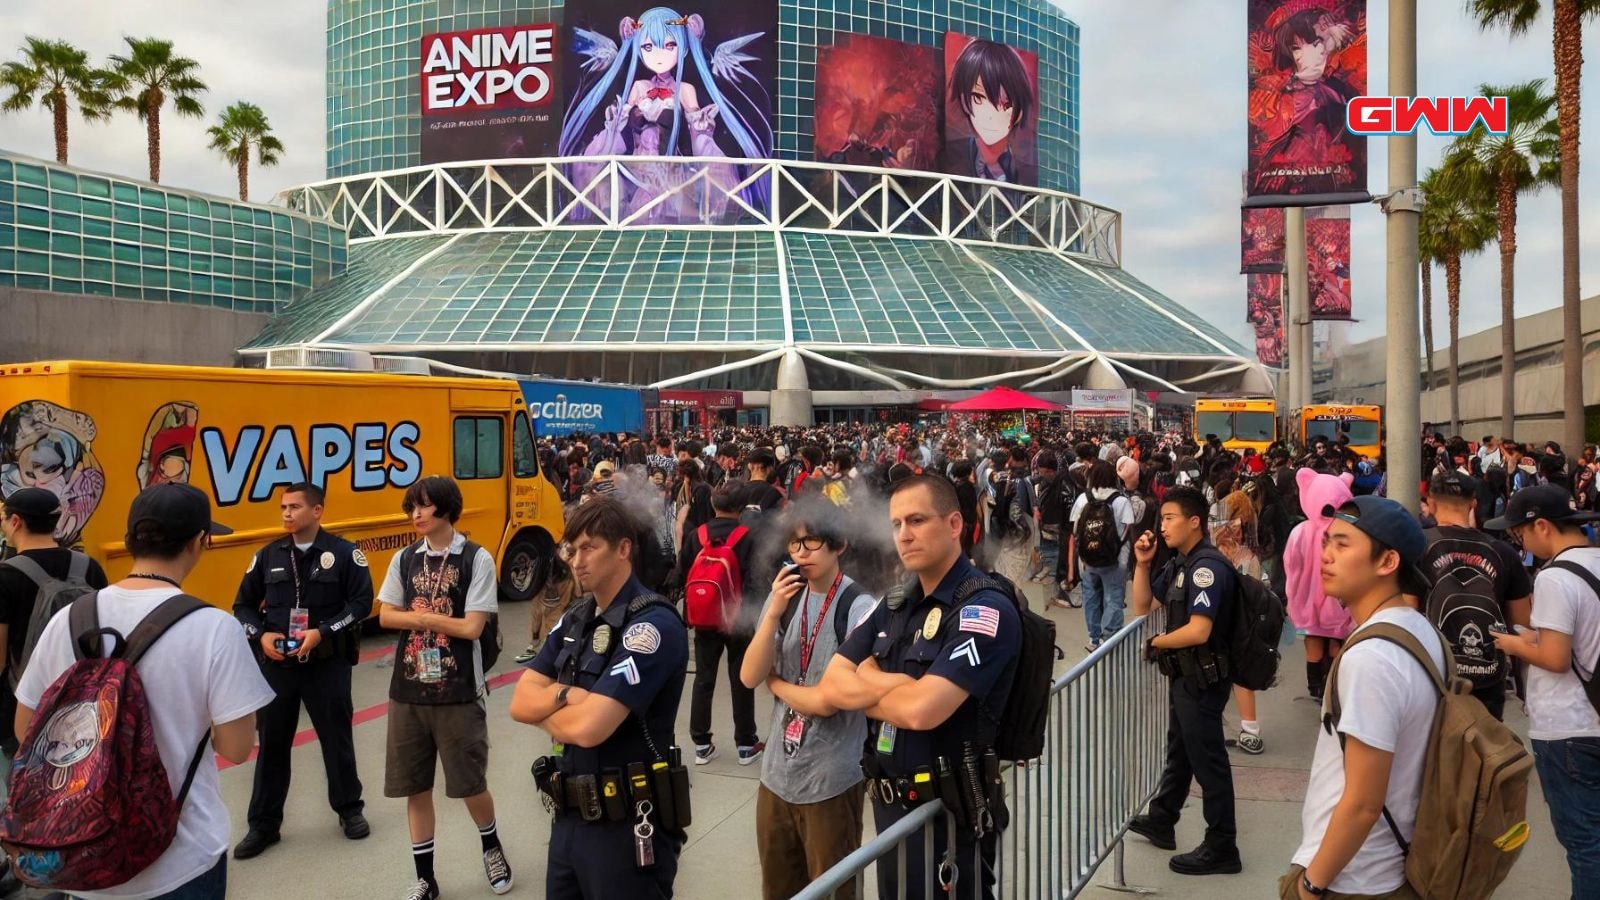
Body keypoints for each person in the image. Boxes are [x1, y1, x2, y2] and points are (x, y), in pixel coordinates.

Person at [14, 482, 273, 898]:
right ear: (199, 542)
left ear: (132, 538)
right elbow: (236, 748)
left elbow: (26, 726)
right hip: (182, 856)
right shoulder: (214, 628)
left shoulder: (68, 617)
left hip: (84, 853)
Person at [821, 474, 1020, 900]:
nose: (904, 535)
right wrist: (898, 684)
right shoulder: (895, 603)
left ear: (953, 525)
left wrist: (868, 679)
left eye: (916, 520)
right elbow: (832, 683)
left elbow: (922, 712)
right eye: (896, 524)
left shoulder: (983, 608)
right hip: (890, 805)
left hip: (948, 815)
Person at [511, 499, 690, 899]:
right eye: (572, 549)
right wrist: (566, 695)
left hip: (626, 824)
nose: (577, 560)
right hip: (568, 820)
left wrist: (551, 710)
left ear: (623, 548)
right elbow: (520, 702)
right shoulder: (577, 617)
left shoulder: (652, 625)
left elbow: (590, 729)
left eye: (589, 547)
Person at [1282, 495, 1439, 900]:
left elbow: (1363, 803)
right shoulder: (1420, 631)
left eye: (1343, 545)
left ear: (1387, 562)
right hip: (1394, 860)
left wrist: (1312, 884)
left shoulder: (1371, 657)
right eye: (1327, 542)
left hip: (1353, 877)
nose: (1326, 556)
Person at [376, 475, 511, 900]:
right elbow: (384, 616)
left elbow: (472, 627)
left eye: (425, 506)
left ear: (447, 509)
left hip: (458, 690)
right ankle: (426, 878)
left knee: (471, 783)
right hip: (408, 691)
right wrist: (425, 619)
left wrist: (422, 618)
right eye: (411, 507)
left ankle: (491, 846)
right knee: (414, 787)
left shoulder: (477, 559)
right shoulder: (404, 558)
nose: (416, 514)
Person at [739, 511, 878, 900]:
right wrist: (772, 614)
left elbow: (827, 703)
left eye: (812, 542)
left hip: (831, 779)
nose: (802, 553)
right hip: (776, 779)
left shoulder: (857, 605)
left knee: (834, 889)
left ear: (840, 545)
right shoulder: (786, 594)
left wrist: (778, 684)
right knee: (779, 888)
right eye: (794, 544)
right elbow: (750, 677)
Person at [231, 483, 373, 859]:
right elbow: (242, 606)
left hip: (326, 663)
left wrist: (323, 632)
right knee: (272, 745)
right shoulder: (267, 556)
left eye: (295, 507)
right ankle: (263, 825)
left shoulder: (344, 554)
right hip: (279, 666)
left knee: (336, 739)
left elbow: (361, 604)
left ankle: (349, 809)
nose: (287, 514)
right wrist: (260, 636)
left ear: (318, 511)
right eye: (283, 507)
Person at [1487, 485, 1600, 898]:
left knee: (1586, 843)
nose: (1520, 543)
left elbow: (1555, 657)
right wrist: (1528, 633)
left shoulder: (1555, 576)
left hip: (1569, 727)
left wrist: (1509, 642)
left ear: (1541, 526)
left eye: (1519, 535)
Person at [1127, 485, 1240, 876]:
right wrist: (1142, 564)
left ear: (1195, 522)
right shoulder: (1178, 563)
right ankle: (1163, 819)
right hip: (1185, 677)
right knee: (1181, 750)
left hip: (1203, 677)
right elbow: (1143, 605)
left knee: (1209, 762)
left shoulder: (1206, 567)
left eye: (1170, 518)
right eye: (1162, 520)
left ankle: (1222, 845)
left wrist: (1156, 642)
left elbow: (1199, 630)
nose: (1162, 527)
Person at [1416, 472, 1531, 721]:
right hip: (1487, 680)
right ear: (1474, 503)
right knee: (1485, 753)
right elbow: (1522, 624)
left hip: (1430, 677)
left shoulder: (1417, 546)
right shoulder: (1503, 552)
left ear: (1431, 503)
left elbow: (1404, 611)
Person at [0, 487, 108, 751]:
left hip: (21, 706)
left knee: (21, 780)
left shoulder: (5, 577)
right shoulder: (89, 567)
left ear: (16, 522)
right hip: (82, 700)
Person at [678, 481, 764, 765]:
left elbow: (681, 574)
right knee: (741, 678)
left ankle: (701, 743)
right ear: (741, 508)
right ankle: (745, 743)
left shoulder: (696, 535)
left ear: (714, 505)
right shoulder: (748, 537)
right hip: (737, 620)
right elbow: (755, 582)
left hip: (704, 619)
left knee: (703, 679)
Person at [1214, 490, 1267, 755]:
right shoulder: (1248, 556)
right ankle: (1248, 729)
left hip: (1220, 622)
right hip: (1242, 623)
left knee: (1223, 674)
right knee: (1237, 675)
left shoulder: (1211, 551)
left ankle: (1232, 727)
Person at [1069, 460, 1136, 651]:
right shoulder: (1121, 501)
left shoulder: (1083, 499)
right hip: (1115, 562)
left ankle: (1094, 639)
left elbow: (1075, 529)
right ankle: (1110, 640)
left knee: (1090, 597)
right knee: (1113, 598)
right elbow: (1127, 530)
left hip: (1088, 560)